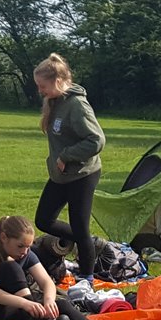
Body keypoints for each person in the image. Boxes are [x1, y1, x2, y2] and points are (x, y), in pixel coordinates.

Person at [0, 216, 153, 320]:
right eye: (20, 246)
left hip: (10, 310)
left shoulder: (25, 253)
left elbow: (47, 282)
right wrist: (26, 303)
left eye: (28, 246)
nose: (25, 252)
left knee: (60, 304)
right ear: (4, 238)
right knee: (10, 268)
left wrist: (48, 300)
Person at [33, 53, 105, 284]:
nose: (40, 91)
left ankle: (86, 278)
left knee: (80, 226)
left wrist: (66, 156)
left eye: (43, 86)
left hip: (82, 174)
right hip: (61, 175)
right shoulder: (56, 102)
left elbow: (96, 140)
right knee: (43, 220)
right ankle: (87, 243)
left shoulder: (77, 105)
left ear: (57, 81)